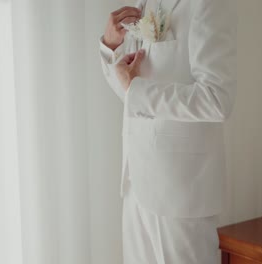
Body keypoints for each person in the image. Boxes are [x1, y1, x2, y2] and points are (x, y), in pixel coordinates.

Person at [99, 0, 236, 262]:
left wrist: (136, 89)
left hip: (181, 193)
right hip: (135, 184)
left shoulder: (209, 4)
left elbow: (217, 99)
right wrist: (111, 47)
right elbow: (131, 95)